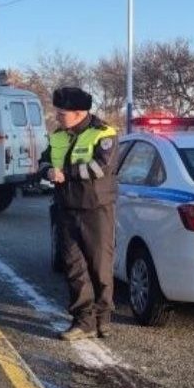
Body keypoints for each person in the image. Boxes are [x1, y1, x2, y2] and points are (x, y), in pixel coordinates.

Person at [39, 86, 119, 341]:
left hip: (96, 210)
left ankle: (103, 317)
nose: (57, 117)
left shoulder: (104, 133)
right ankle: (83, 320)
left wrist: (67, 174)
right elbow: (44, 161)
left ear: (78, 113)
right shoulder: (58, 135)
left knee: (100, 267)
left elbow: (100, 167)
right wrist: (48, 171)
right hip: (66, 208)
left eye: (61, 113)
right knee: (74, 267)